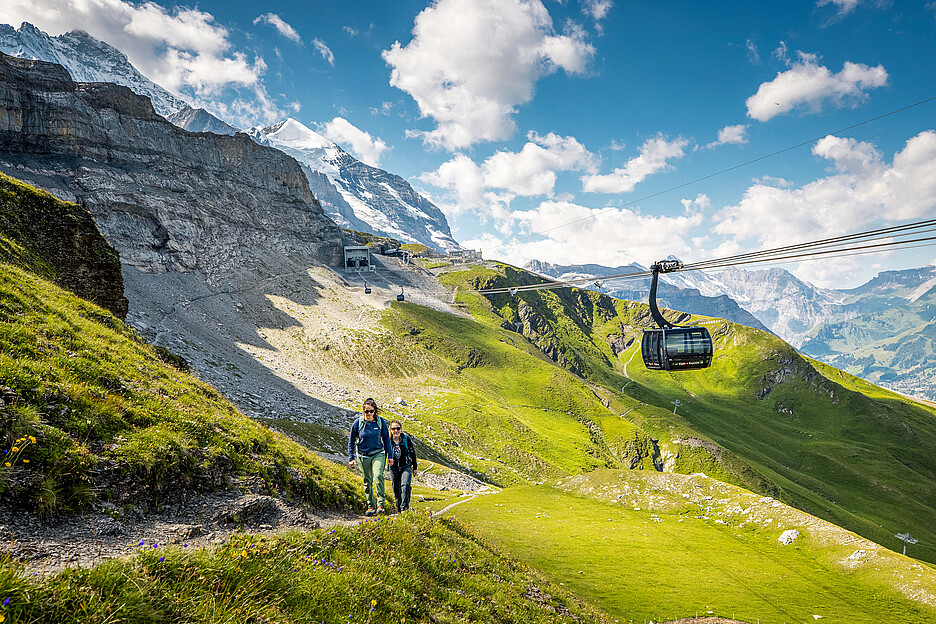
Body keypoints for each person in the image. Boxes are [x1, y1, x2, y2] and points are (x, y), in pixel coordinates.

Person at [347, 398, 393, 515]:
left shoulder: (380, 422)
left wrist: (390, 456)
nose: (368, 414)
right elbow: (352, 441)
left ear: (374, 411)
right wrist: (351, 458)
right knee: (367, 480)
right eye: (366, 411)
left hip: (378, 453)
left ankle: (380, 504)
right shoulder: (358, 423)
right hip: (363, 456)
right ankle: (370, 506)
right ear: (363, 411)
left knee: (378, 476)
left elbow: (386, 440)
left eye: (371, 411)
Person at [388, 419, 418, 513]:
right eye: (393, 429)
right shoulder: (388, 441)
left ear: (401, 429)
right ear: (391, 430)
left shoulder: (406, 439)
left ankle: (404, 509)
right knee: (396, 490)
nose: (396, 430)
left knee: (405, 486)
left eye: (398, 428)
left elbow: (412, 452)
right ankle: (399, 510)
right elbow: (384, 454)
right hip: (393, 468)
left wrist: (415, 467)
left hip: (406, 466)